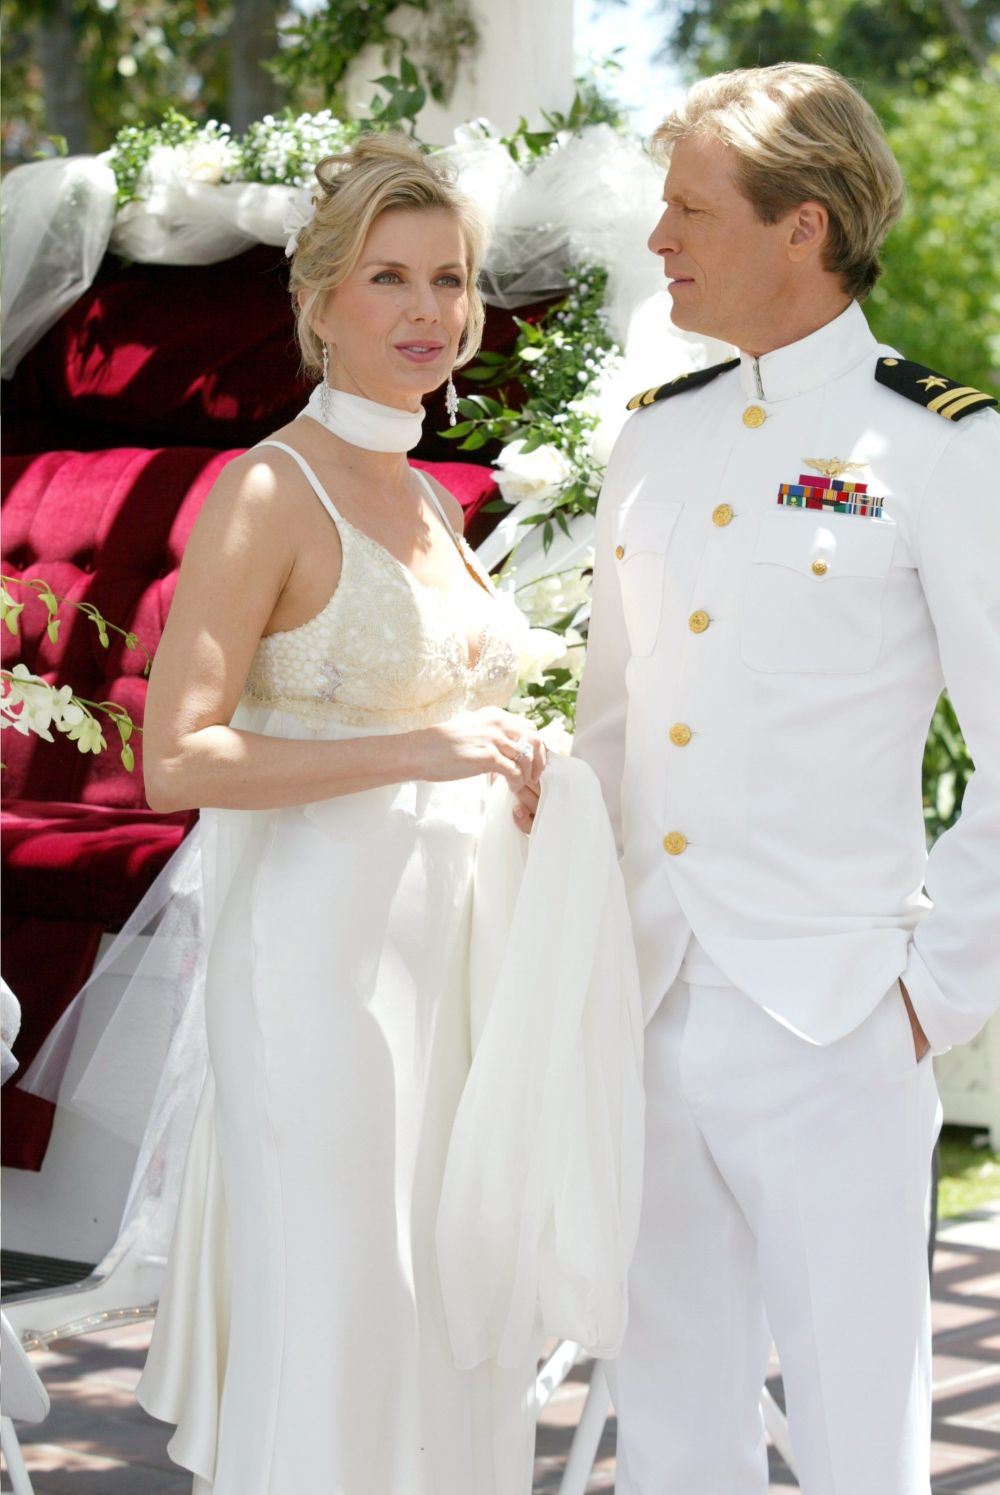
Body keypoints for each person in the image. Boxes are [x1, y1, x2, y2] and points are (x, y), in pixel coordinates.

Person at [572, 63, 999, 1493]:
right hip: (649, 1003)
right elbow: (613, 734)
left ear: (803, 226)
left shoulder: (944, 447)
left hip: (838, 1017)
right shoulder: (655, 438)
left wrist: (930, 997)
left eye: (691, 210)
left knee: (859, 1440)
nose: (659, 239)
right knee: (673, 1432)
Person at [134, 133, 547, 1494]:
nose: (430, 311)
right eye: (390, 278)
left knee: (444, 1294)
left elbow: (460, 719)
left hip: (453, 955)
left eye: (452, 279)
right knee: (344, 1301)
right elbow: (176, 759)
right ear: (320, 301)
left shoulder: (429, 496)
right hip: (317, 966)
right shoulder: (269, 488)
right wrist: (423, 748)